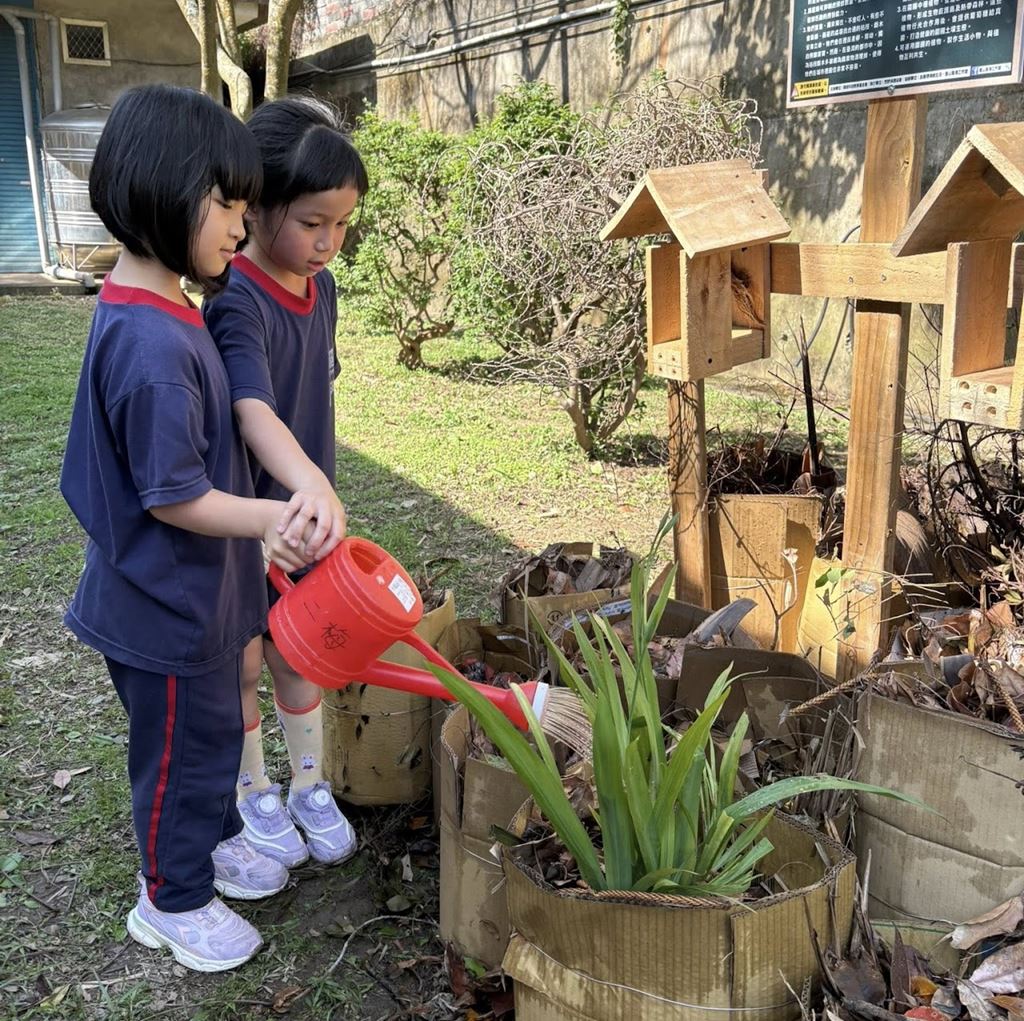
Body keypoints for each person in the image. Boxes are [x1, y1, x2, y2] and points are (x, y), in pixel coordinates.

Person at [60, 84, 319, 973]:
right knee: (176, 760)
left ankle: (203, 854)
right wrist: (272, 515)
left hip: (194, 599)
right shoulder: (156, 347)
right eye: (228, 203)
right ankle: (170, 901)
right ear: (164, 191)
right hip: (163, 610)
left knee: (211, 740)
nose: (241, 228)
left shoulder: (165, 305)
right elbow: (172, 495)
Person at [203, 97, 369, 869]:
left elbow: (315, 394)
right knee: (244, 656)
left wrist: (318, 489)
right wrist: (306, 485)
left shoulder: (322, 290)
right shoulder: (235, 294)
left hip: (305, 513)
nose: (328, 242)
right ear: (259, 205)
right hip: (250, 516)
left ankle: (309, 782)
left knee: (300, 648)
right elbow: (252, 407)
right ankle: (250, 787)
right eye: (311, 222)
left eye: (342, 224)